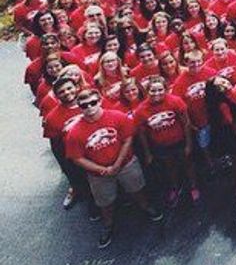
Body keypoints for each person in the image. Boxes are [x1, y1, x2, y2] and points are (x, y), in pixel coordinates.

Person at [65, 87, 163, 248]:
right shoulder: (74, 132)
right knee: (105, 202)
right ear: (79, 106)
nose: (89, 107)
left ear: (100, 101)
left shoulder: (117, 116)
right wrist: (100, 169)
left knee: (137, 188)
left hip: (126, 164)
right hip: (98, 174)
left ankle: (145, 206)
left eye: (92, 103)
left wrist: (117, 163)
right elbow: (77, 158)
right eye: (84, 105)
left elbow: (127, 140)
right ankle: (108, 224)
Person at [133, 74, 200, 207]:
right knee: (169, 167)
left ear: (166, 89)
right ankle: (175, 187)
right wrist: (148, 153)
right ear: (147, 91)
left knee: (187, 164)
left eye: (160, 90)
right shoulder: (141, 110)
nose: (156, 93)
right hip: (161, 145)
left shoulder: (175, 101)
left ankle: (193, 186)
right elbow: (142, 134)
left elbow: (186, 123)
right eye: (153, 90)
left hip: (179, 141)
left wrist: (188, 144)